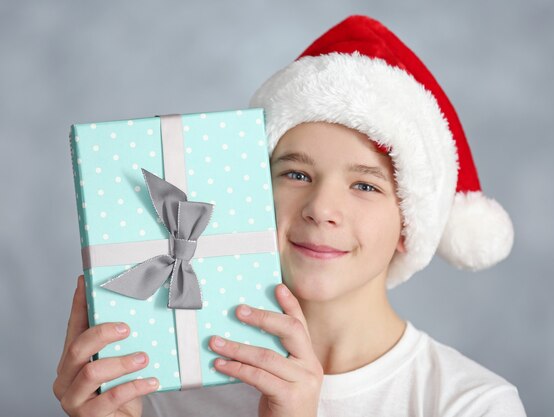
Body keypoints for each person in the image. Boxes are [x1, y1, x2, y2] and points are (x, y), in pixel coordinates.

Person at [53, 15, 526, 417]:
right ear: (254, 193)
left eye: (365, 185)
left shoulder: (470, 404)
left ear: (411, 224)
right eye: (297, 174)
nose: (321, 209)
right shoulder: (166, 387)